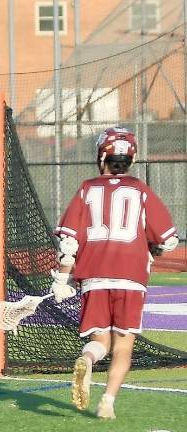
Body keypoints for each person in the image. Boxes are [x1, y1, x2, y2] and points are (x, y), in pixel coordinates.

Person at [50, 127, 178, 419]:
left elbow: (69, 243)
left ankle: (87, 358)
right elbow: (168, 239)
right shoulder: (140, 189)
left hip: (94, 275)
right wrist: (153, 248)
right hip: (131, 277)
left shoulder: (87, 188)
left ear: (101, 156)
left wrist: (61, 278)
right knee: (123, 345)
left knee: (101, 342)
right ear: (130, 158)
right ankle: (107, 402)